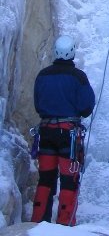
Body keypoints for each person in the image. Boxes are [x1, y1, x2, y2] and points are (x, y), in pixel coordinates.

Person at [31, 35, 95, 226]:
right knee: (69, 180)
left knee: (45, 179)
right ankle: (64, 226)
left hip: (46, 133)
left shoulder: (42, 75)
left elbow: (38, 105)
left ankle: (37, 224)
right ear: (72, 53)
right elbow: (86, 107)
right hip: (69, 136)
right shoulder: (79, 77)